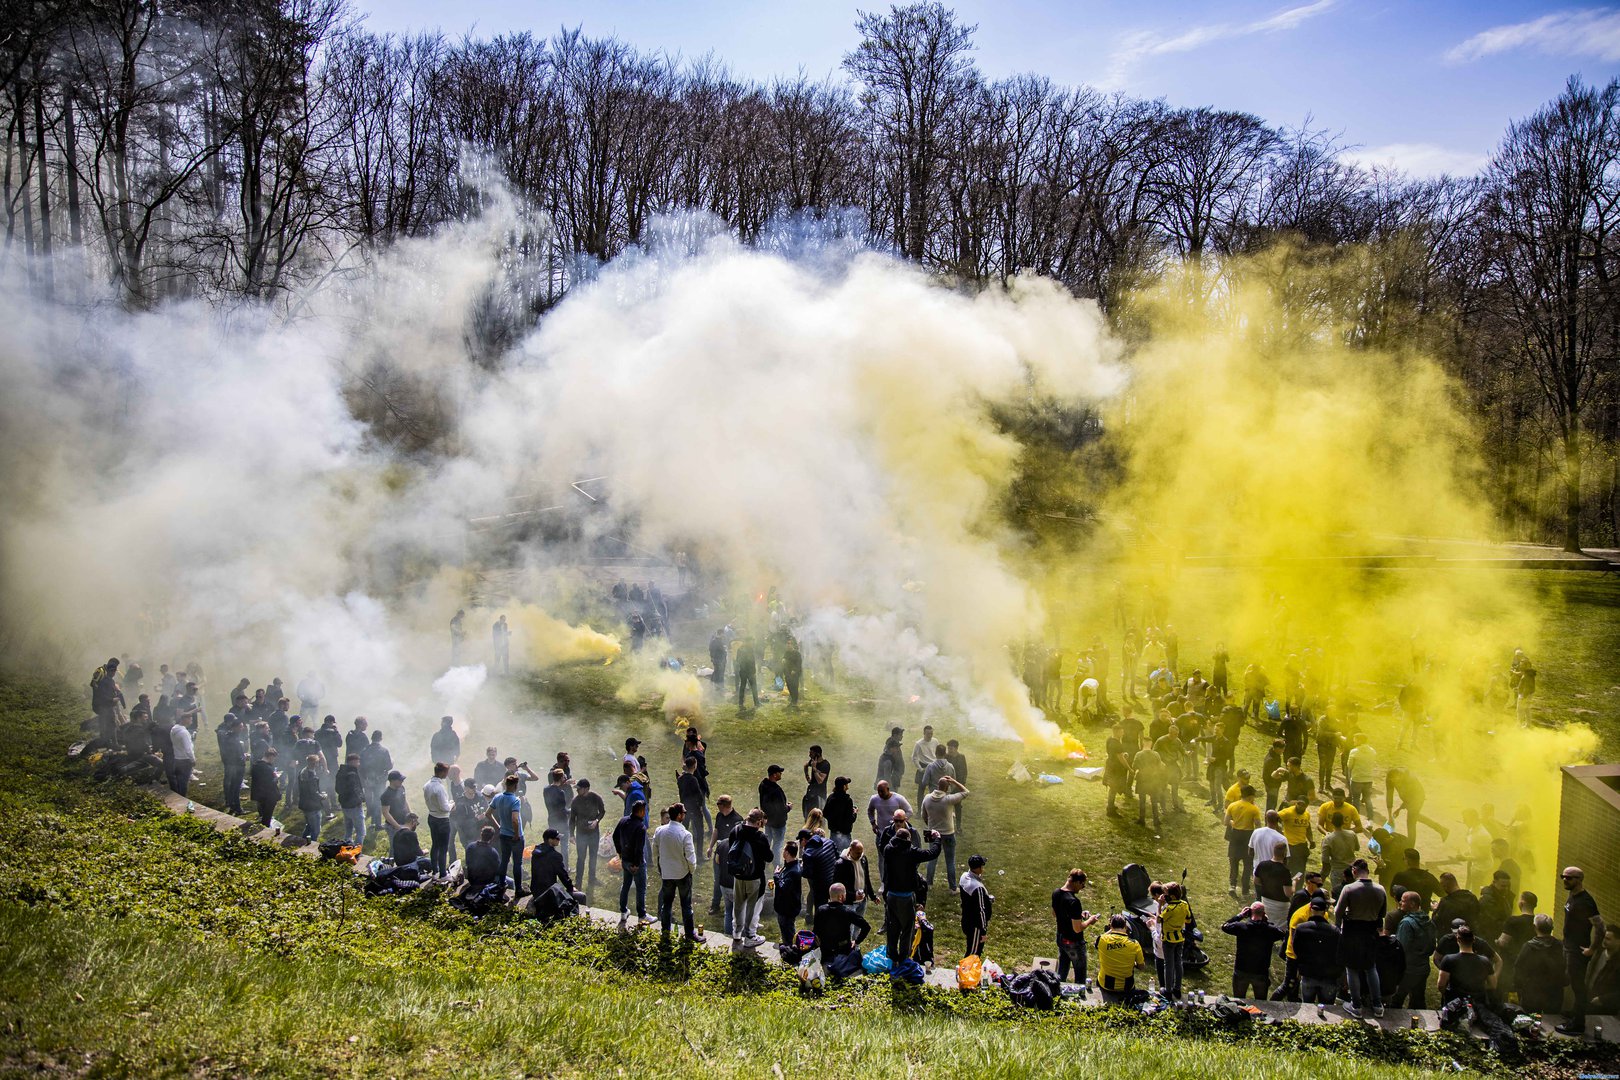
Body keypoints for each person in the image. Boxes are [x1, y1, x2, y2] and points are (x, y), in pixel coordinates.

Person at [1333, 859, 1388, 1018]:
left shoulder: (1349, 888)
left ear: (1354, 871)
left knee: (1352, 968)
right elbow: (1382, 913)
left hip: (1352, 929)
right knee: (1371, 967)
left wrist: (1340, 923)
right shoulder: (1380, 889)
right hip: (1370, 930)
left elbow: (1338, 911)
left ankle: (1356, 1005)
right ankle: (1377, 1005)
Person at [1558, 865, 1605, 1038]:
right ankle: (1575, 1014)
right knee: (1572, 982)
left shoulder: (1585, 902)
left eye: (1569, 878)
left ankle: (1578, 1024)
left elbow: (1600, 927)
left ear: (1579, 880)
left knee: (1578, 986)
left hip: (1578, 950)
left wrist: (1592, 949)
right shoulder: (1573, 896)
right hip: (1569, 946)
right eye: (1563, 876)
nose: (1565, 880)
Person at [881, 827, 941, 962]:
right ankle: (904, 958)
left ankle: (891, 956)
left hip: (891, 894)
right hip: (906, 896)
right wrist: (937, 839)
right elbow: (932, 853)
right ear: (908, 839)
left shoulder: (888, 849)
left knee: (892, 927)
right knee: (907, 929)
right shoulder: (911, 852)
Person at [652, 803, 701, 943]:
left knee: (666, 904)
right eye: (683, 813)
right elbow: (691, 859)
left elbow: (655, 850)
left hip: (667, 873)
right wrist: (691, 871)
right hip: (682, 874)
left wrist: (660, 866)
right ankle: (689, 934)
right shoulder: (685, 834)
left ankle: (665, 932)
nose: (684, 815)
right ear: (679, 816)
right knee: (686, 905)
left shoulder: (660, 830)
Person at [1293, 894, 1344, 1017]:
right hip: (1329, 976)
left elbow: (1296, 950)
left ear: (1311, 909)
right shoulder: (1335, 931)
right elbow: (1340, 953)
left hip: (1308, 974)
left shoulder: (1301, 929)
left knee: (1307, 1009)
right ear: (1325, 911)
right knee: (1329, 1012)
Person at [1223, 901, 1287, 999]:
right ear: (1264, 913)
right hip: (1261, 972)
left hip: (1241, 970)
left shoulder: (1241, 927)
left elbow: (1225, 926)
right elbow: (1282, 933)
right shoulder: (1270, 930)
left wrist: (1240, 916)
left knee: (1239, 1001)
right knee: (1261, 1004)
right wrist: (1266, 922)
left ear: (1249, 912)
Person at [729, 809, 773, 949]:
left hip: (738, 876)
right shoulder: (760, 836)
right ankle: (750, 936)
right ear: (759, 821)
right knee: (753, 908)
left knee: (738, 905)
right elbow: (769, 857)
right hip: (755, 878)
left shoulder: (735, 830)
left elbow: (731, 849)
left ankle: (736, 933)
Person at [1386, 891, 1436, 1009]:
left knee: (1395, 1001)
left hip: (1407, 970)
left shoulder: (1406, 923)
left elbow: (1400, 948)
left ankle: (1393, 1026)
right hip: (1423, 967)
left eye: (1403, 901)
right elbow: (1432, 946)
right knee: (1418, 1001)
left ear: (1412, 904)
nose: (1400, 903)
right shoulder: (1429, 921)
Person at [920, 776, 969, 891]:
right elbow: (966, 792)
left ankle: (929, 884)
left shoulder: (927, 798)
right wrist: (954, 781)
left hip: (931, 832)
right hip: (948, 833)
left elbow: (923, 815)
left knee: (931, 859)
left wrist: (930, 826)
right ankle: (952, 888)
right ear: (947, 788)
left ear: (938, 786)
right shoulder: (949, 799)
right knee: (950, 860)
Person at [1052, 869, 1098, 983]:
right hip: (1073, 942)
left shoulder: (1056, 893)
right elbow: (1077, 929)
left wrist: (1078, 916)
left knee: (1062, 970)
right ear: (1077, 882)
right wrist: (1090, 921)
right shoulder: (1074, 901)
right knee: (1080, 974)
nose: (1082, 888)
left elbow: (1055, 913)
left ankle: (1057, 989)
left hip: (1061, 937)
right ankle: (1079, 997)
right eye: (1082, 885)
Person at [1516, 913, 1568, 1014]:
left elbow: (1518, 967)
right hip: (1554, 993)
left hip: (1532, 993)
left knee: (1531, 1020)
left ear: (1534, 927)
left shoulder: (1528, 947)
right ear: (1551, 928)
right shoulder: (1559, 946)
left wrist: (1519, 986)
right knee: (1552, 1021)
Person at [612, 799, 649, 928]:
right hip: (636, 863)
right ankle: (642, 915)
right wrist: (636, 864)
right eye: (645, 810)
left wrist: (620, 852)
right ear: (641, 811)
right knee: (641, 888)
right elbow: (639, 849)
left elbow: (615, 836)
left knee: (626, 885)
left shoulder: (623, 820)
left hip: (625, 860)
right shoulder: (640, 827)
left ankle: (623, 911)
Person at [814, 883, 871, 964]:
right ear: (841, 896)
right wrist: (857, 941)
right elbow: (866, 927)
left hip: (824, 951)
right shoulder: (847, 912)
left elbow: (815, 931)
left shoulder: (821, 910)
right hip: (843, 951)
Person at [488, 775, 525, 900]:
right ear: (516, 786)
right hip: (515, 837)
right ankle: (518, 890)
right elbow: (515, 819)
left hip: (503, 834)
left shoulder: (497, 797)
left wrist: (499, 826)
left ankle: (501, 885)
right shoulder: (515, 800)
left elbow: (488, 814)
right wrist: (516, 834)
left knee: (504, 860)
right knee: (517, 863)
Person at [1097, 915, 1148, 1004]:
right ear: (1125, 926)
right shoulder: (1134, 944)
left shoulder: (1102, 940)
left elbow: (1097, 941)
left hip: (1105, 985)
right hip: (1126, 988)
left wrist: (1111, 929)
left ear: (1110, 926)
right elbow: (1142, 967)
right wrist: (1133, 963)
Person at [707, 794, 743, 915]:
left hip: (730, 855)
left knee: (730, 880)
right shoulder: (719, 815)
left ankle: (733, 904)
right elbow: (716, 831)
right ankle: (715, 904)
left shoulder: (737, 820)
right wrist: (710, 847)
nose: (717, 806)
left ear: (723, 805)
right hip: (719, 853)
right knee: (717, 879)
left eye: (718, 804)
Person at [570, 779, 607, 890]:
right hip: (581, 833)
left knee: (593, 856)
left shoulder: (596, 798)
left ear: (586, 788)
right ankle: (578, 882)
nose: (577, 790)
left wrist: (596, 821)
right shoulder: (575, 801)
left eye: (579, 788)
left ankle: (592, 879)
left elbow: (602, 812)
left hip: (593, 833)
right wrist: (571, 834)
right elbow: (572, 819)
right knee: (581, 858)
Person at [1159, 881, 1193, 997]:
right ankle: (1177, 988)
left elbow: (1159, 919)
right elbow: (1188, 920)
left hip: (1168, 939)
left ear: (1172, 896)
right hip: (1180, 938)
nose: (1164, 896)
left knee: (1168, 964)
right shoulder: (1184, 904)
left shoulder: (1170, 908)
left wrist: (1160, 905)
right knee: (1178, 963)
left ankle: (1168, 990)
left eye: (1165, 893)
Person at [800, 829, 839, 927]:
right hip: (833, 880)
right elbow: (837, 857)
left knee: (820, 908)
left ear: (804, 840)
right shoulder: (829, 842)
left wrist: (801, 867)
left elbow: (807, 874)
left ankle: (820, 929)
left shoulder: (808, 853)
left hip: (820, 884)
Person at [423, 762, 456, 877]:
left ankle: (435, 870)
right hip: (442, 820)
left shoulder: (427, 784)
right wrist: (452, 804)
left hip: (432, 816)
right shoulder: (439, 788)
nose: (447, 774)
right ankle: (442, 873)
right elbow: (445, 808)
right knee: (443, 847)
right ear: (441, 772)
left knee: (435, 845)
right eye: (446, 772)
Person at [771, 840, 804, 947]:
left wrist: (776, 876)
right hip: (787, 907)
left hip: (787, 909)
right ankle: (789, 944)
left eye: (784, 849)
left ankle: (790, 950)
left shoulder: (793, 871)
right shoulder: (790, 865)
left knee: (787, 930)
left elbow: (783, 888)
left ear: (787, 853)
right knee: (788, 929)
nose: (782, 851)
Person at [959, 854, 992, 957]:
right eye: (982, 866)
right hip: (976, 926)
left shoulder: (964, 876)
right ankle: (966, 972)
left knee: (972, 949)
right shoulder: (977, 888)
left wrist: (986, 898)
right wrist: (983, 930)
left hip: (966, 919)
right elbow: (981, 910)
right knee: (973, 954)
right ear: (978, 868)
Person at [541, 769, 574, 868]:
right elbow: (562, 810)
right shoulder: (561, 792)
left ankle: (551, 864)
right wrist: (572, 810)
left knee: (551, 843)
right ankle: (565, 867)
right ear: (561, 778)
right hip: (562, 822)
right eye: (564, 776)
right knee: (564, 845)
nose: (565, 778)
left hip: (551, 819)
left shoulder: (546, 789)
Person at [360, 732, 392, 830]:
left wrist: (364, 778)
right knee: (378, 800)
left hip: (368, 779)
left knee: (370, 799)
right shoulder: (384, 750)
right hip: (380, 780)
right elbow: (389, 766)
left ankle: (372, 820)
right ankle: (377, 824)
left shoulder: (364, 750)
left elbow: (361, 766)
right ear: (381, 739)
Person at [758, 765, 792, 860]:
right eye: (779, 772)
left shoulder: (763, 785)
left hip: (767, 820)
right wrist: (789, 807)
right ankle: (776, 863)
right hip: (778, 823)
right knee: (777, 845)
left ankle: (765, 860)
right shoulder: (776, 791)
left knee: (767, 841)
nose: (781, 774)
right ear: (774, 775)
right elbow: (781, 809)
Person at [1132, 742, 1168, 830]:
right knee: (1154, 801)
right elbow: (1160, 767)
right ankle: (1156, 820)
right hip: (1153, 780)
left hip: (1142, 780)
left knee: (1142, 801)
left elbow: (1134, 766)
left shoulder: (1139, 754)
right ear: (1151, 745)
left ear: (1143, 745)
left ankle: (1142, 819)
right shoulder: (1156, 754)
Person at [834, 840, 874, 919]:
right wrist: (853, 896)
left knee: (858, 927)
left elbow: (866, 878)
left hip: (862, 901)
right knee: (849, 929)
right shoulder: (841, 864)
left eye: (861, 852)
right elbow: (838, 886)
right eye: (858, 853)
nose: (860, 855)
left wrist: (872, 896)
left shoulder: (863, 859)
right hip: (849, 903)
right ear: (850, 850)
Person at [1321, 812, 1359, 888]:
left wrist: (1323, 875)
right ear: (1343, 822)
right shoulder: (1352, 834)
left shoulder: (1328, 838)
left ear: (1332, 822)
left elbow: (1325, 859)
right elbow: (1357, 848)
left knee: (1338, 894)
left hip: (1338, 870)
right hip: (1352, 869)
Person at [335, 753, 365, 846]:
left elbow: (337, 789)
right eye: (358, 762)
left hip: (344, 804)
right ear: (353, 762)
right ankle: (357, 851)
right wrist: (362, 799)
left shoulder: (341, 771)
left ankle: (347, 847)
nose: (359, 764)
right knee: (361, 831)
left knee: (348, 829)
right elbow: (355, 789)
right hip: (354, 805)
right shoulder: (352, 773)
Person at [464, 825, 503, 893]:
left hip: (472, 878)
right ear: (492, 837)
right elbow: (498, 869)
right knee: (510, 881)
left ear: (481, 834)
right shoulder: (493, 852)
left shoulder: (470, 846)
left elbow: (467, 862)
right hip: (485, 881)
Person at [296, 754, 326, 841]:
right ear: (315, 764)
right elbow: (313, 793)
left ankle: (303, 841)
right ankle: (311, 847)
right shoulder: (311, 776)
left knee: (309, 826)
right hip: (312, 806)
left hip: (304, 803)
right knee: (316, 830)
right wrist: (323, 796)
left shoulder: (303, 771)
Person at [250, 748, 281, 827]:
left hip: (258, 793)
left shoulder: (255, 765)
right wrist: (276, 777)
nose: (273, 760)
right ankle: (266, 828)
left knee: (263, 811)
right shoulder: (266, 768)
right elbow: (270, 782)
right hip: (268, 795)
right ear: (270, 756)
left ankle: (263, 820)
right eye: (274, 758)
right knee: (267, 814)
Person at [824, 777, 857, 851]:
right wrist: (854, 813)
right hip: (845, 834)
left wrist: (833, 820)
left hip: (833, 833)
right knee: (844, 856)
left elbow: (825, 813)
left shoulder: (831, 797)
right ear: (844, 786)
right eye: (846, 784)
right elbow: (850, 819)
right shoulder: (848, 800)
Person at [735, 637, 759, 709]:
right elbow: (752, 661)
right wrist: (753, 671)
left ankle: (741, 703)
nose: (753, 643)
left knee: (743, 687)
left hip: (743, 671)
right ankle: (756, 703)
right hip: (749, 672)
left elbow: (737, 660)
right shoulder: (749, 649)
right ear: (748, 642)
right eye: (752, 641)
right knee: (753, 687)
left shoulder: (740, 649)